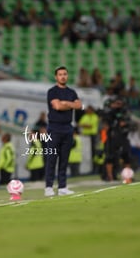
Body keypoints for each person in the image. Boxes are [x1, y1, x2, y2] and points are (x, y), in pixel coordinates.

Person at [45, 66, 82, 197]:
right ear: (56, 77)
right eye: (60, 74)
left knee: (64, 159)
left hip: (68, 127)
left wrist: (66, 103)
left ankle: (62, 187)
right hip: (54, 128)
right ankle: (49, 186)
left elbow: (79, 105)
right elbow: (57, 106)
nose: (63, 76)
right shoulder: (52, 91)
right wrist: (69, 104)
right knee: (52, 158)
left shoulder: (71, 92)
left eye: (65, 74)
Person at [78, 105, 99, 173]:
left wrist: (84, 125)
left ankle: (94, 168)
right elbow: (79, 124)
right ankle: (88, 168)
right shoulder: (85, 116)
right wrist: (85, 125)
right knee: (87, 152)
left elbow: (90, 126)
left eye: (88, 109)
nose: (87, 111)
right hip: (85, 136)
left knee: (93, 152)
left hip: (93, 136)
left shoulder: (95, 116)